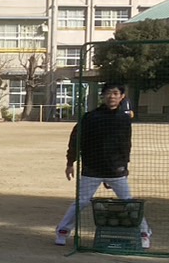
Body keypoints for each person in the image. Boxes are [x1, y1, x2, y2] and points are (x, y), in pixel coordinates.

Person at [55, 82, 151, 249]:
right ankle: (62, 231)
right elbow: (76, 139)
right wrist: (70, 162)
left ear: (122, 97)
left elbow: (125, 145)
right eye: (108, 93)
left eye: (115, 93)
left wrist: (123, 167)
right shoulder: (90, 117)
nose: (111, 97)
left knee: (128, 202)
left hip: (116, 170)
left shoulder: (124, 119)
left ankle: (144, 232)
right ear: (102, 96)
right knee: (82, 201)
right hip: (92, 169)